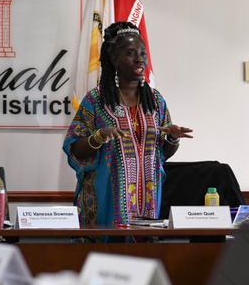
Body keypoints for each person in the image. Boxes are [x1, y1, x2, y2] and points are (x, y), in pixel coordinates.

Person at [63, 21, 193, 227]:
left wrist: (172, 138)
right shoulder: (96, 100)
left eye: (142, 52)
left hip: (148, 199)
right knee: (105, 256)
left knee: (142, 254)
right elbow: (75, 148)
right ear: (114, 59)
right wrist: (99, 136)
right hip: (104, 199)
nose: (139, 58)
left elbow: (163, 153)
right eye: (131, 53)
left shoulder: (155, 100)